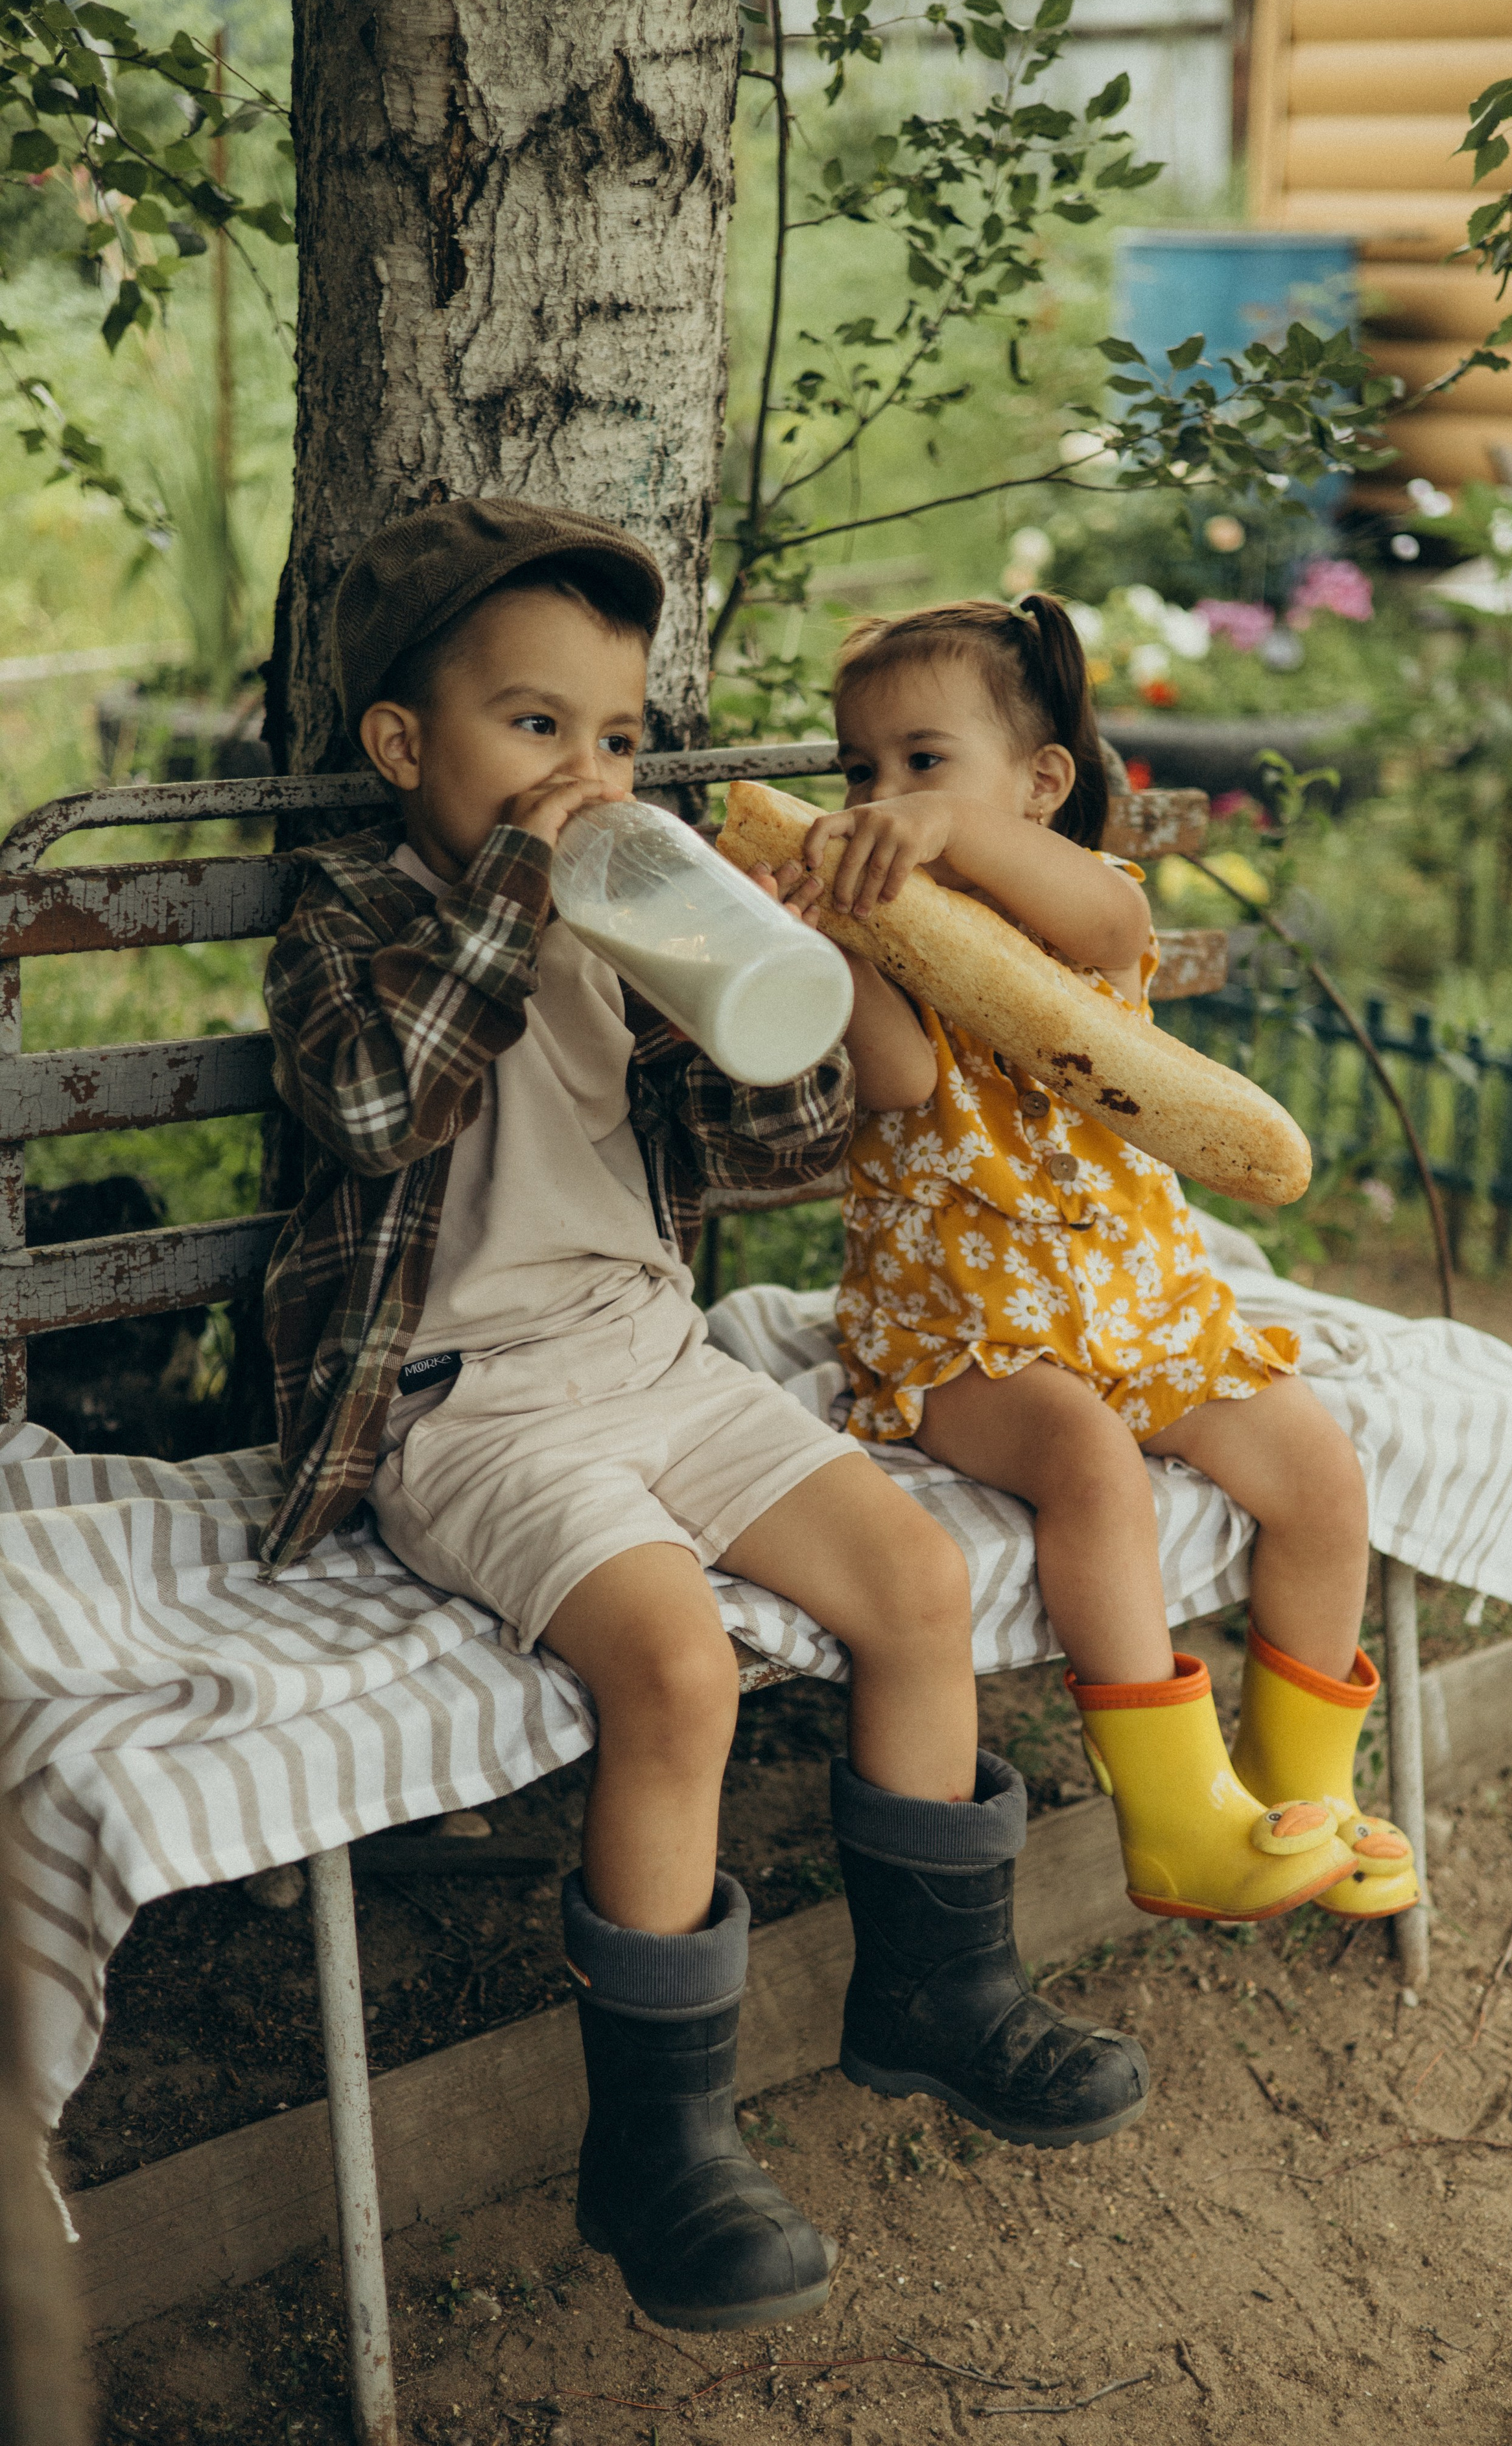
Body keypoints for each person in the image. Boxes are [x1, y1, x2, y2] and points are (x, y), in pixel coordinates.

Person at [257, 504, 1149, 2338]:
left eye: (616, 738)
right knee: (677, 1668)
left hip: (654, 1358)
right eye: (537, 729)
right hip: (464, 1404)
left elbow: (788, 1145)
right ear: (404, 748)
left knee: (913, 1581)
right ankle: (656, 2147)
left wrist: (769, 985)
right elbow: (368, 1111)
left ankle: (934, 1998)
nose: (589, 776)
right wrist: (522, 898)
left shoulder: (625, 921)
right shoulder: (349, 922)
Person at [794, 595, 1419, 1930]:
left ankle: (1297, 1787)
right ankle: (1178, 1819)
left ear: (1039, 785)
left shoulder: (1088, 918)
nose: (882, 798)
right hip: (963, 1330)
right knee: (1088, 1468)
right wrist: (839, 938)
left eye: (922, 762)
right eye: (857, 772)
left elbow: (1106, 924)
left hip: (1140, 1307)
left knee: (1316, 1473)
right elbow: (901, 1085)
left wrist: (950, 834)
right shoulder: (885, 943)